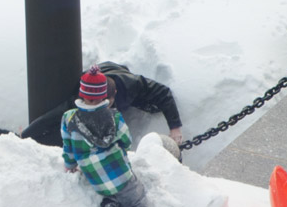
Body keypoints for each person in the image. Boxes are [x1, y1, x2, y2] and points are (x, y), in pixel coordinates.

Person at [61, 65, 151, 207]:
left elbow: (68, 148)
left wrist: (70, 165)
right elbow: (127, 141)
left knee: (115, 194)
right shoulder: (114, 117)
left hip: (96, 181)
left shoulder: (68, 119)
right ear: (105, 97)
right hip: (122, 178)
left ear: (81, 93)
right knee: (135, 205)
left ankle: (111, 206)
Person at [22, 61, 183, 146]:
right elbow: (50, 118)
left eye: (101, 104)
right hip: (98, 77)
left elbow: (163, 93)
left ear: (114, 97)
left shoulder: (131, 85)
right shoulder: (79, 99)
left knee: (153, 105)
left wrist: (174, 127)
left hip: (117, 72)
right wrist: (25, 135)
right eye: (89, 103)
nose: (94, 107)